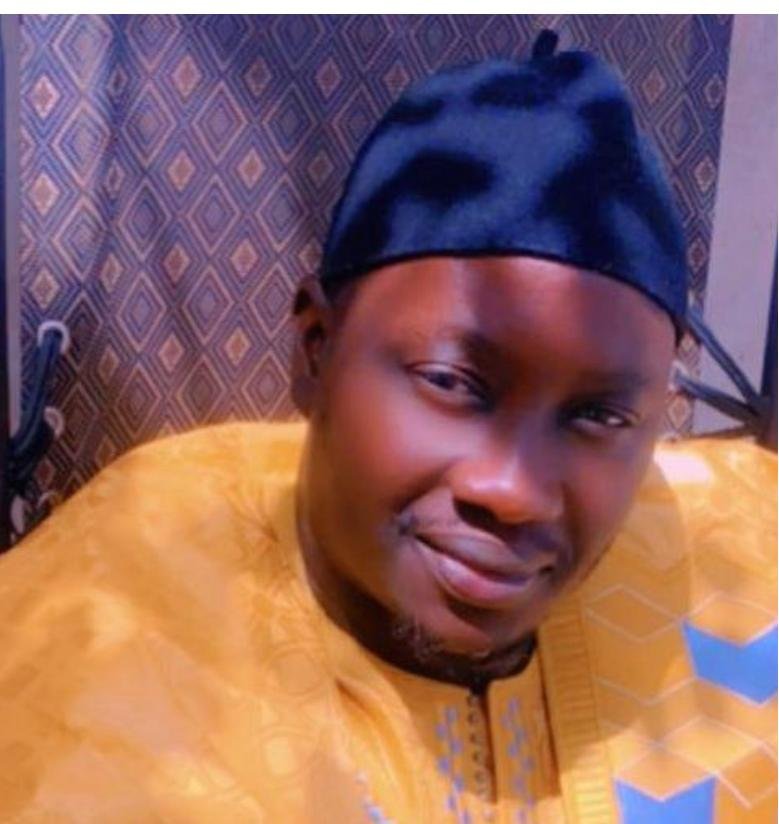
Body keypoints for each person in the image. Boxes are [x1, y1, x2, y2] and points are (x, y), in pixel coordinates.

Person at [0, 31, 775, 824]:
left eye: (600, 416)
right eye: (452, 383)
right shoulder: (96, 681)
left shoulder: (738, 557)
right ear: (315, 349)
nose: (513, 491)